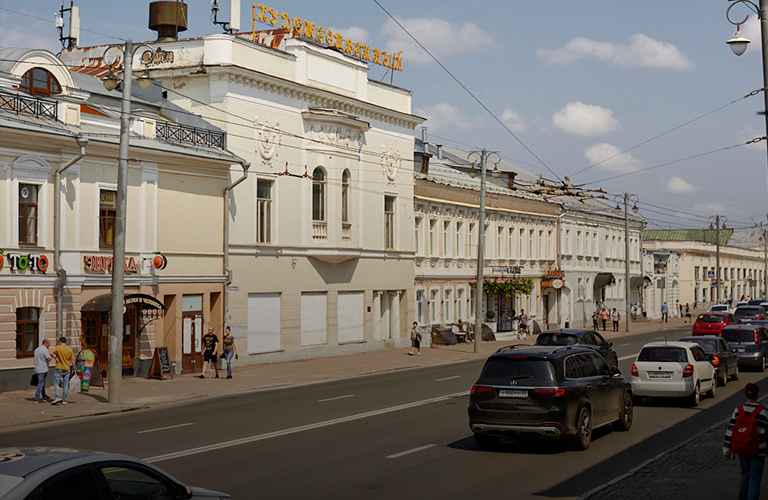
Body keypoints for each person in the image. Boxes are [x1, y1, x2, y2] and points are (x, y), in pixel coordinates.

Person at [724, 383, 768, 500]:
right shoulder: (764, 411)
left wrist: (726, 450)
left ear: (745, 394)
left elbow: (731, 430)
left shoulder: (738, 410)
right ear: (758, 394)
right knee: (755, 479)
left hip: (742, 449)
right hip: (758, 450)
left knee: (745, 477)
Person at [49, 337, 75, 405]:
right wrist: (74, 369)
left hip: (59, 368)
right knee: (66, 384)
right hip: (67, 368)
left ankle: (58, 396)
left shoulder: (57, 348)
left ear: (60, 341)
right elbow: (72, 360)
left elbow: (50, 353)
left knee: (56, 383)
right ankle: (64, 400)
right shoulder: (69, 349)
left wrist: (56, 358)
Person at [33, 339, 53, 403]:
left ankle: (44, 396)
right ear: (46, 343)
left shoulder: (37, 349)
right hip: (43, 369)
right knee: (40, 384)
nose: (49, 345)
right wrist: (52, 356)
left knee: (42, 383)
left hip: (37, 368)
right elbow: (48, 359)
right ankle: (37, 398)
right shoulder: (44, 350)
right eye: (49, 344)